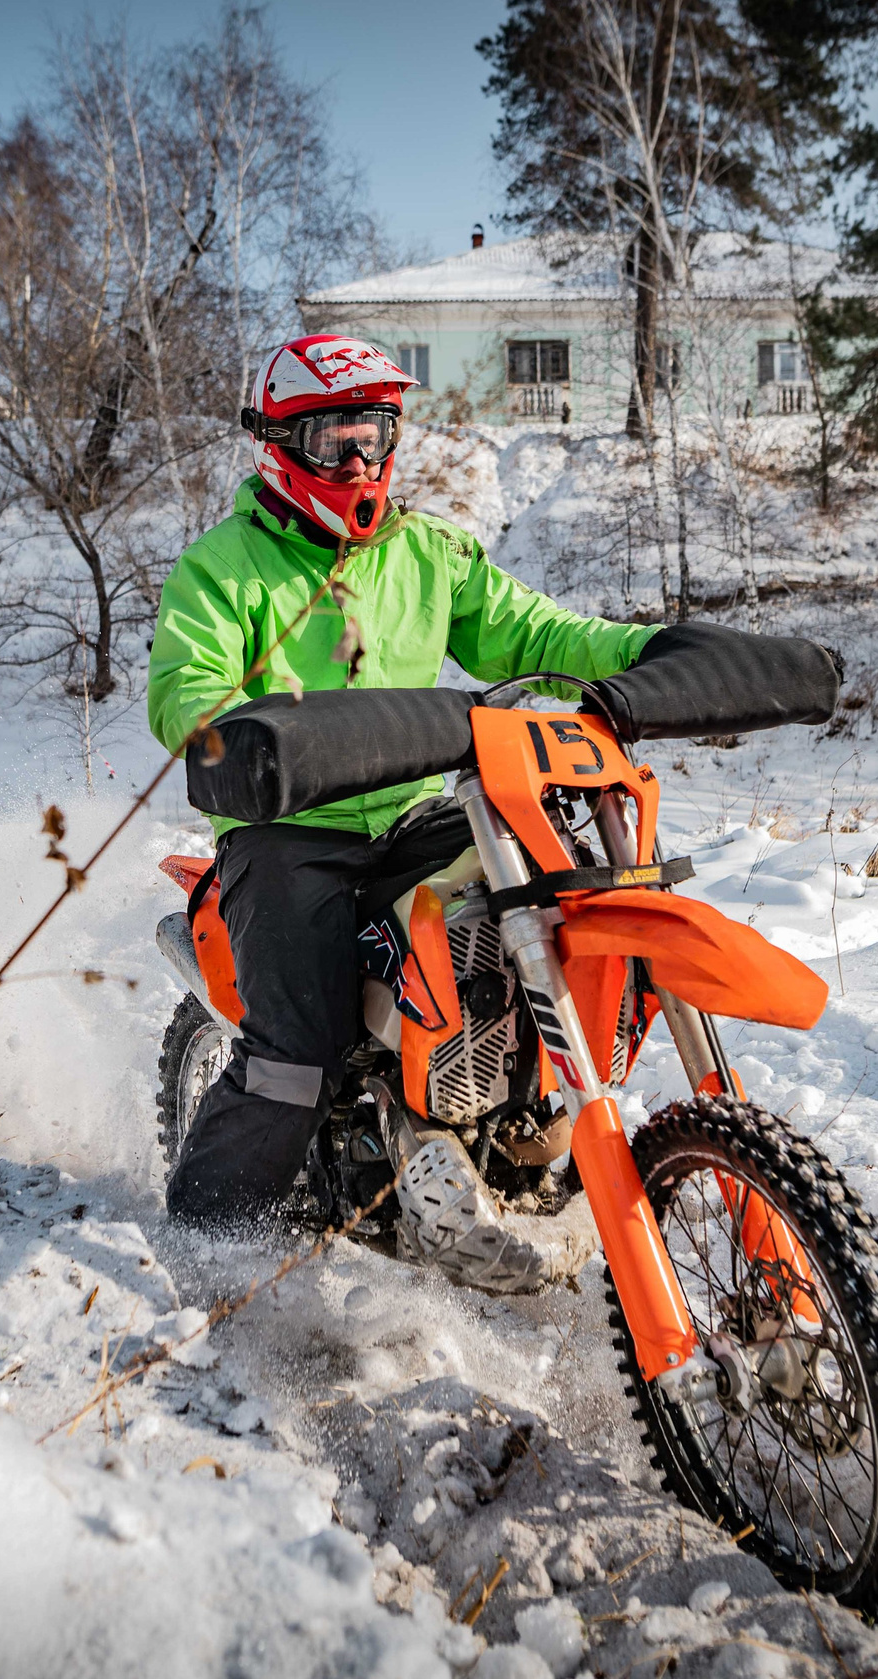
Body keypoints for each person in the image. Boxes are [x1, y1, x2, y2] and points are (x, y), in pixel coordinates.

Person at [147, 334, 652, 1290]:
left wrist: (651, 650)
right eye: (334, 439)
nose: (359, 463)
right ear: (281, 443)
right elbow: (184, 693)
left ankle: (510, 1113)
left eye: (375, 434)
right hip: (289, 827)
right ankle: (202, 1249)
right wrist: (239, 739)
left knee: (548, 888)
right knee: (295, 1058)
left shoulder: (427, 550)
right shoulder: (221, 569)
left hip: (418, 812)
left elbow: (536, 632)